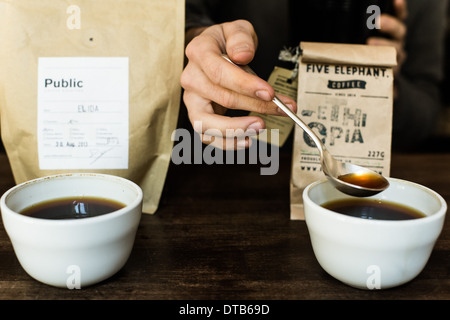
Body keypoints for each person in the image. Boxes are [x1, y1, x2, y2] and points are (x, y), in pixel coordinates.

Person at [180, 0, 448, 151]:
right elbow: (183, 14)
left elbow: (425, 111)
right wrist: (200, 44)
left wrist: (389, 88)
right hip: (234, 162)